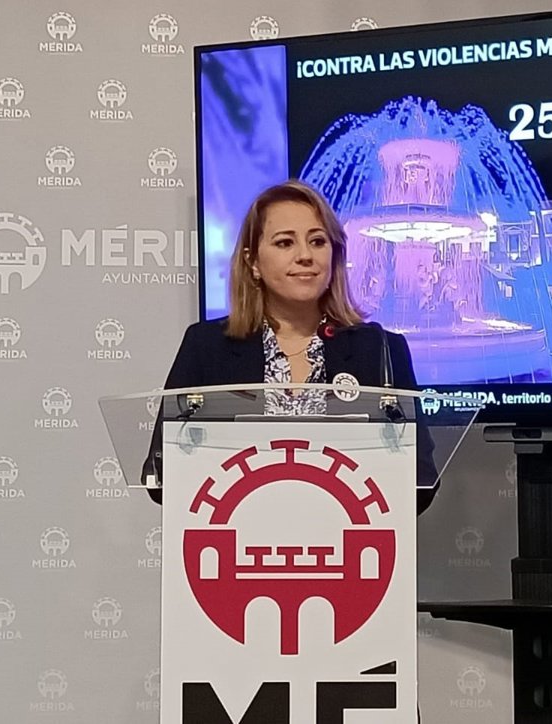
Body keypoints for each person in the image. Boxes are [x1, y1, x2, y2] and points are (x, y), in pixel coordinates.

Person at [142, 180, 439, 513]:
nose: (305, 256)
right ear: (253, 261)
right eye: (285, 243)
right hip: (237, 536)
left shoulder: (381, 349)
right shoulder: (207, 346)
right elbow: (160, 474)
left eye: (317, 241)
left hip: (349, 536)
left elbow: (421, 481)